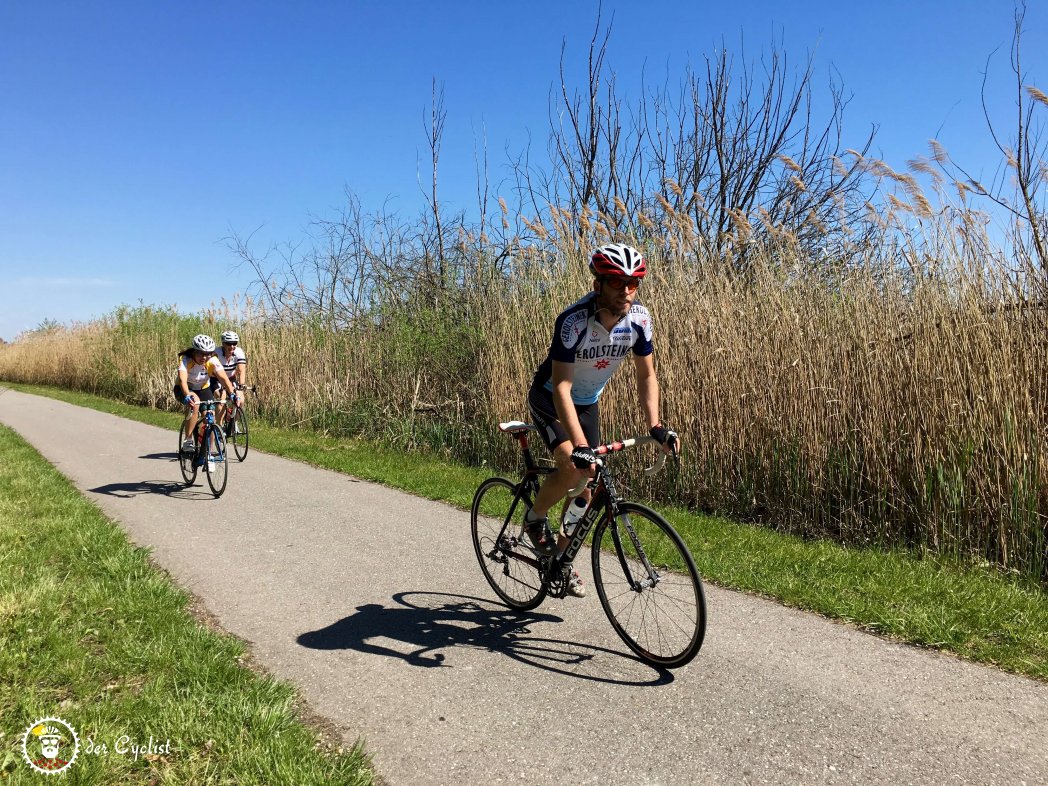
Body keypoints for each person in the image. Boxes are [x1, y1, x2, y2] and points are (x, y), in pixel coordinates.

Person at [525, 243, 679, 597]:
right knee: (574, 467)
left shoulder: (639, 321)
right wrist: (579, 447)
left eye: (632, 283)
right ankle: (535, 518)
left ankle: (561, 559)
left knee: (588, 484)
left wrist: (654, 426)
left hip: (587, 402)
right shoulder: (573, 321)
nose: (625, 290)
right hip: (551, 397)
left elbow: (647, 376)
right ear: (599, 285)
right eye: (616, 281)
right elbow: (562, 385)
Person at [175, 334, 239, 454]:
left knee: (211, 416)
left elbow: (224, 379)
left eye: (208, 354)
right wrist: (187, 395)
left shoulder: (213, 361)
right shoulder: (186, 359)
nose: (204, 357)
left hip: (203, 388)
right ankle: (188, 440)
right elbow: (183, 380)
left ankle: (208, 450)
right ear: (194, 351)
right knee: (195, 404)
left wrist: (233, 394)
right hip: (185, 388)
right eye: (201, 353)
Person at [215, 330, 248, 432]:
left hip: (231, 378)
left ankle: (233, 422)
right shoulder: (216, 353)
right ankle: (219, 427)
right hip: (217, 379)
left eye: (234, 343)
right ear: (223, 344)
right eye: (229, 343)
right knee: (222, 399)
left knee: (240, 400)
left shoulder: (238, 352)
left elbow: (242, 370)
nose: (232, 346)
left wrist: (241, 386)